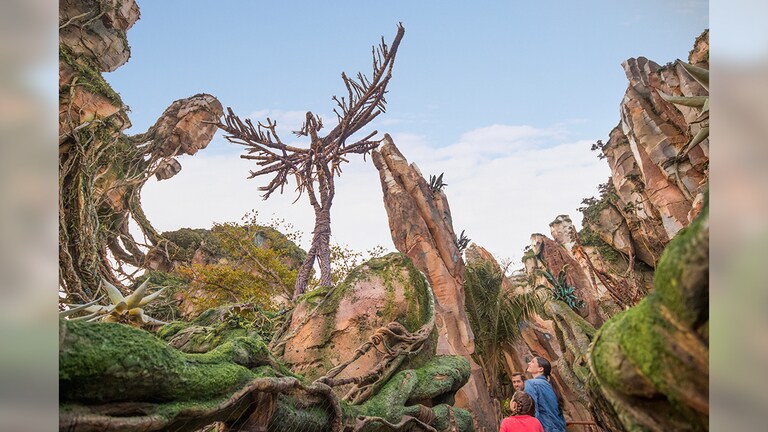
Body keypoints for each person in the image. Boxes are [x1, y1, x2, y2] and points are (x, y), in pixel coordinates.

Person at [524, 356, 567, 432]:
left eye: (533, 362)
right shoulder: (550, 385)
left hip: (543, 428)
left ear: (541, 369)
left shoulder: (531, 383)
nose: (529, 363)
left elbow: (531, 410)